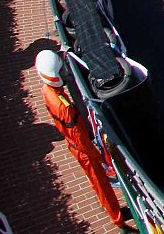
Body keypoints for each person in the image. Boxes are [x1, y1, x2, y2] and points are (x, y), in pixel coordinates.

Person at [34, 51, 131, 229]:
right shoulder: (64, 107)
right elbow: (79, 138)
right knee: (102, 185)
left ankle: (115, 212)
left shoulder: (48, 91)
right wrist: (99, 156)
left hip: (78, 146)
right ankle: (119, 222)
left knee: (99, 183)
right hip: (84, 151)